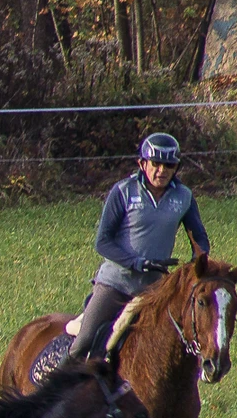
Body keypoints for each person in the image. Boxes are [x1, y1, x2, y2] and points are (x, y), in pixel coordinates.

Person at [66, 132, 211, 363]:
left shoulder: (184, 197)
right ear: (142, 163)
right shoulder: (123, 191)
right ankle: (58, 388)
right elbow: (102, 242)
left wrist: (197, 265)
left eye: (169, 165)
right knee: (85, 341)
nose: (162, 171)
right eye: (156, 164)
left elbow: (199, 239)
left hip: (155, 288)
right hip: (117, 282)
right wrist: (136, 262)